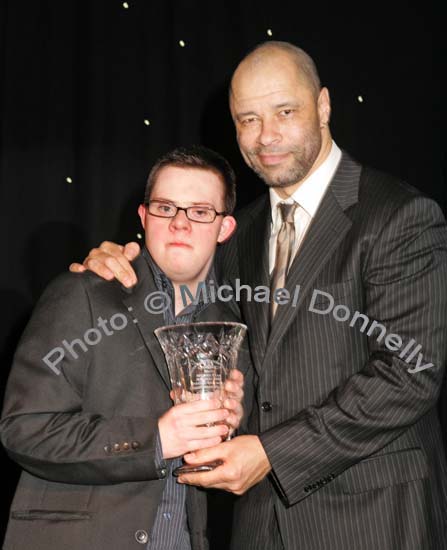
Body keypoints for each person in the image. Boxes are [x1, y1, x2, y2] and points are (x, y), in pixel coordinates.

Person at [69, 42, 447, 550]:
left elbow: (408, 375)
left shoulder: (400, 216)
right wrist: (111, 265)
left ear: (325, 106)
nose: (265, 136)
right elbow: (186, 304)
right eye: (247, 119)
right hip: (259, 524)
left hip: (376, 517)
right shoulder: (238, 231)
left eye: (284, 112)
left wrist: (271, 453)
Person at [0, 146, 251, 550]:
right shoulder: (82, 292)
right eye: (166, 208)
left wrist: (237, 421)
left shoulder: (236, 322)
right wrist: (156, 439)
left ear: (224, 228)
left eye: (201, 211)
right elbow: (23, 429)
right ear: (144, 216)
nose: (180, 224)